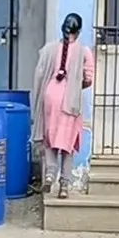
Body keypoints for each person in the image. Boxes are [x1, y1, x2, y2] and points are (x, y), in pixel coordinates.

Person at [31, 12, 94, 198]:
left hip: (50, 96)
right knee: (68, 144)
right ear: (79, 31)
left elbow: (40, 73)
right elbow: (88, 79)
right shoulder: (84, 52)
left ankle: (50, 174)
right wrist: (75, 84)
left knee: (50, 138)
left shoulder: (49, 49)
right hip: (70, 101)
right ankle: (64, 186)